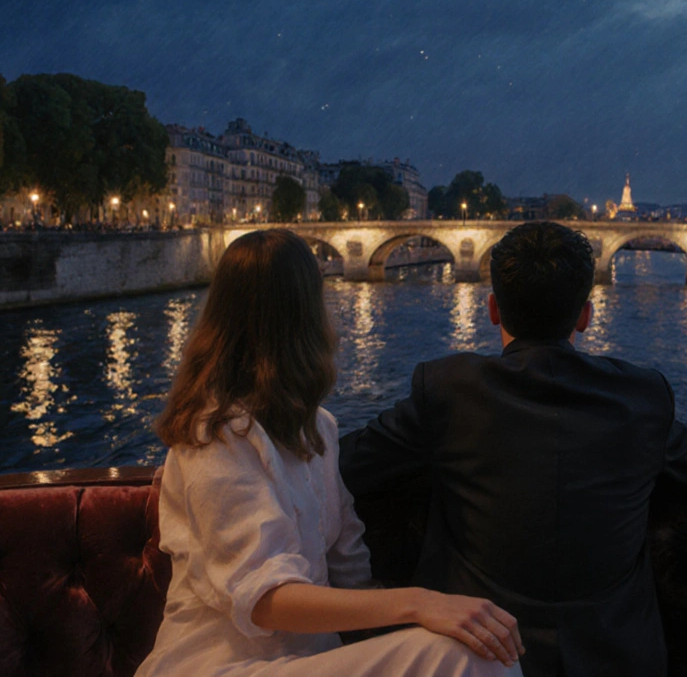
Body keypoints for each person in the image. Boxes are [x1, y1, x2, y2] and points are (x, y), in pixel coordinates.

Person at [340, 221, 687, 676]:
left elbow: (347, 463)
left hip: (476, 657)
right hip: (616, 658)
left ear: (492, 309)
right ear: (585, 316)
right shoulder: (642, 397)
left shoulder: (448, 391)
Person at [136, 229, 524, 677]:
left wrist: (428, 615)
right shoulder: (215, 434)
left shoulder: (318, 427)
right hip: (220, 664)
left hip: (310, 661)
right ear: (305, 314)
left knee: (480, 648)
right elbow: (264, 600)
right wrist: (420, 604)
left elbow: (349, 563)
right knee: (472, 658)